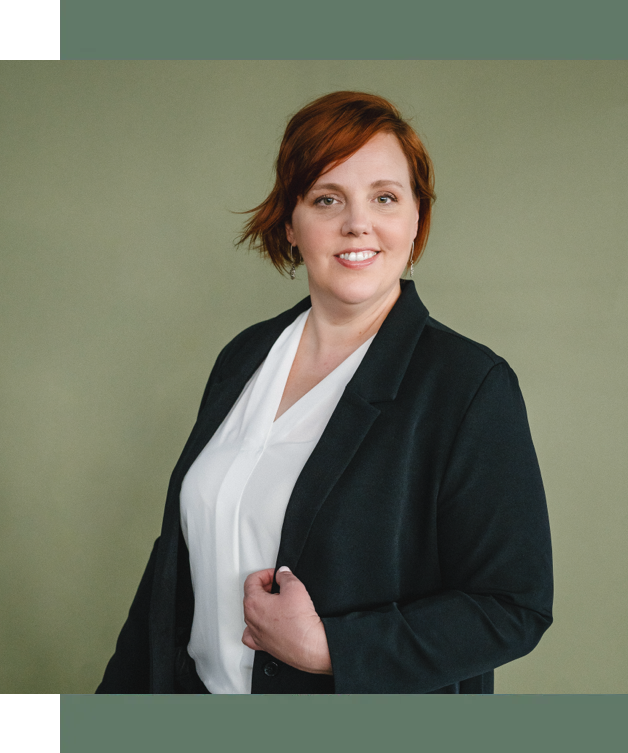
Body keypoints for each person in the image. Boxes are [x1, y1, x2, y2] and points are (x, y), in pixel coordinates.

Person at [96, 91, 553, 695]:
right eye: (326, 198)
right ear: (291, 221)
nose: (357, 223)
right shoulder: (244, 357)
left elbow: (513, 605)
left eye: (385, 197)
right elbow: (173, 565)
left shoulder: (468, 386)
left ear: (416, 218)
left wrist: (330, 648)